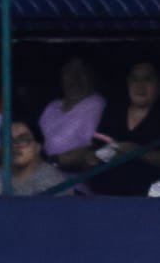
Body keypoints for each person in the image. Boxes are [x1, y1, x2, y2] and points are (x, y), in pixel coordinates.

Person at [89, 60, 160, 196]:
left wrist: (137, 152)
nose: (140, 85)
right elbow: (95, 150)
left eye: (147, 79)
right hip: (105, 198)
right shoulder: (113, 112)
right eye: (135, 79)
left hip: (149, 202)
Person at [38, 56, 105, 172]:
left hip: (73, 182)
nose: (75, 78)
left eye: (81, 71)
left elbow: (90, 150)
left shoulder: (96, 104)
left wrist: (52, 162)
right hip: (42, 176)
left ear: (91, 75)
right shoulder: (53, 106)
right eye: (69, 71)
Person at [0, 120, 68, 196]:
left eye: (23, 140)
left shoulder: (52, 181)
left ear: (38, 147)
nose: (14, 145)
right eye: (8, 140)